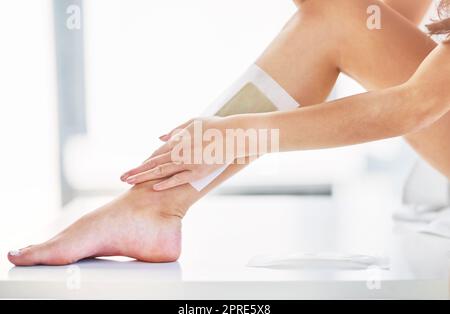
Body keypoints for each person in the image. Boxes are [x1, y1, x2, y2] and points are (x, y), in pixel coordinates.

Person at [8, 0, 450, 266]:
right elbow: (372, 22)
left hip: (423, 109)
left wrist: (240, 132)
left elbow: (415, 104)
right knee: (332, 17)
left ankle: (152, 208)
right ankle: (151, 207)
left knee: (333, 21)